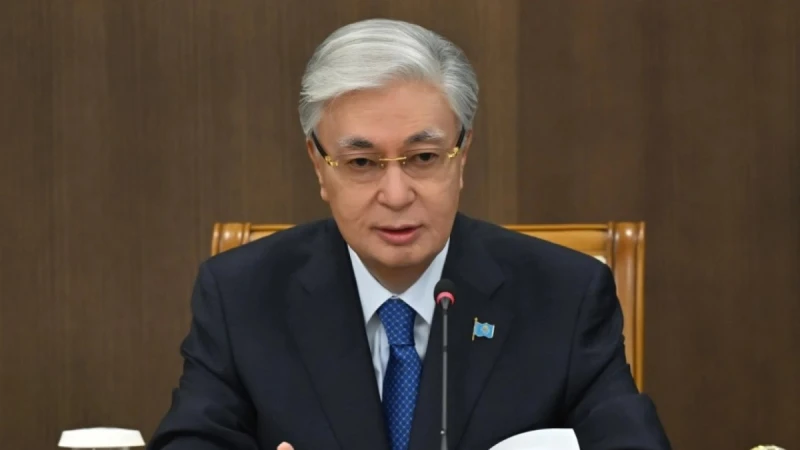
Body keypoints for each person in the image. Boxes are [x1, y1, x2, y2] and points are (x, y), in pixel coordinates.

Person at [148, 18, 671, 450]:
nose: (396, 195)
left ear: (462, 157)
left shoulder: (565, 295)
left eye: (422, 157)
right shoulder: (242, 295)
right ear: (318, 165)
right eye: (361, 162)